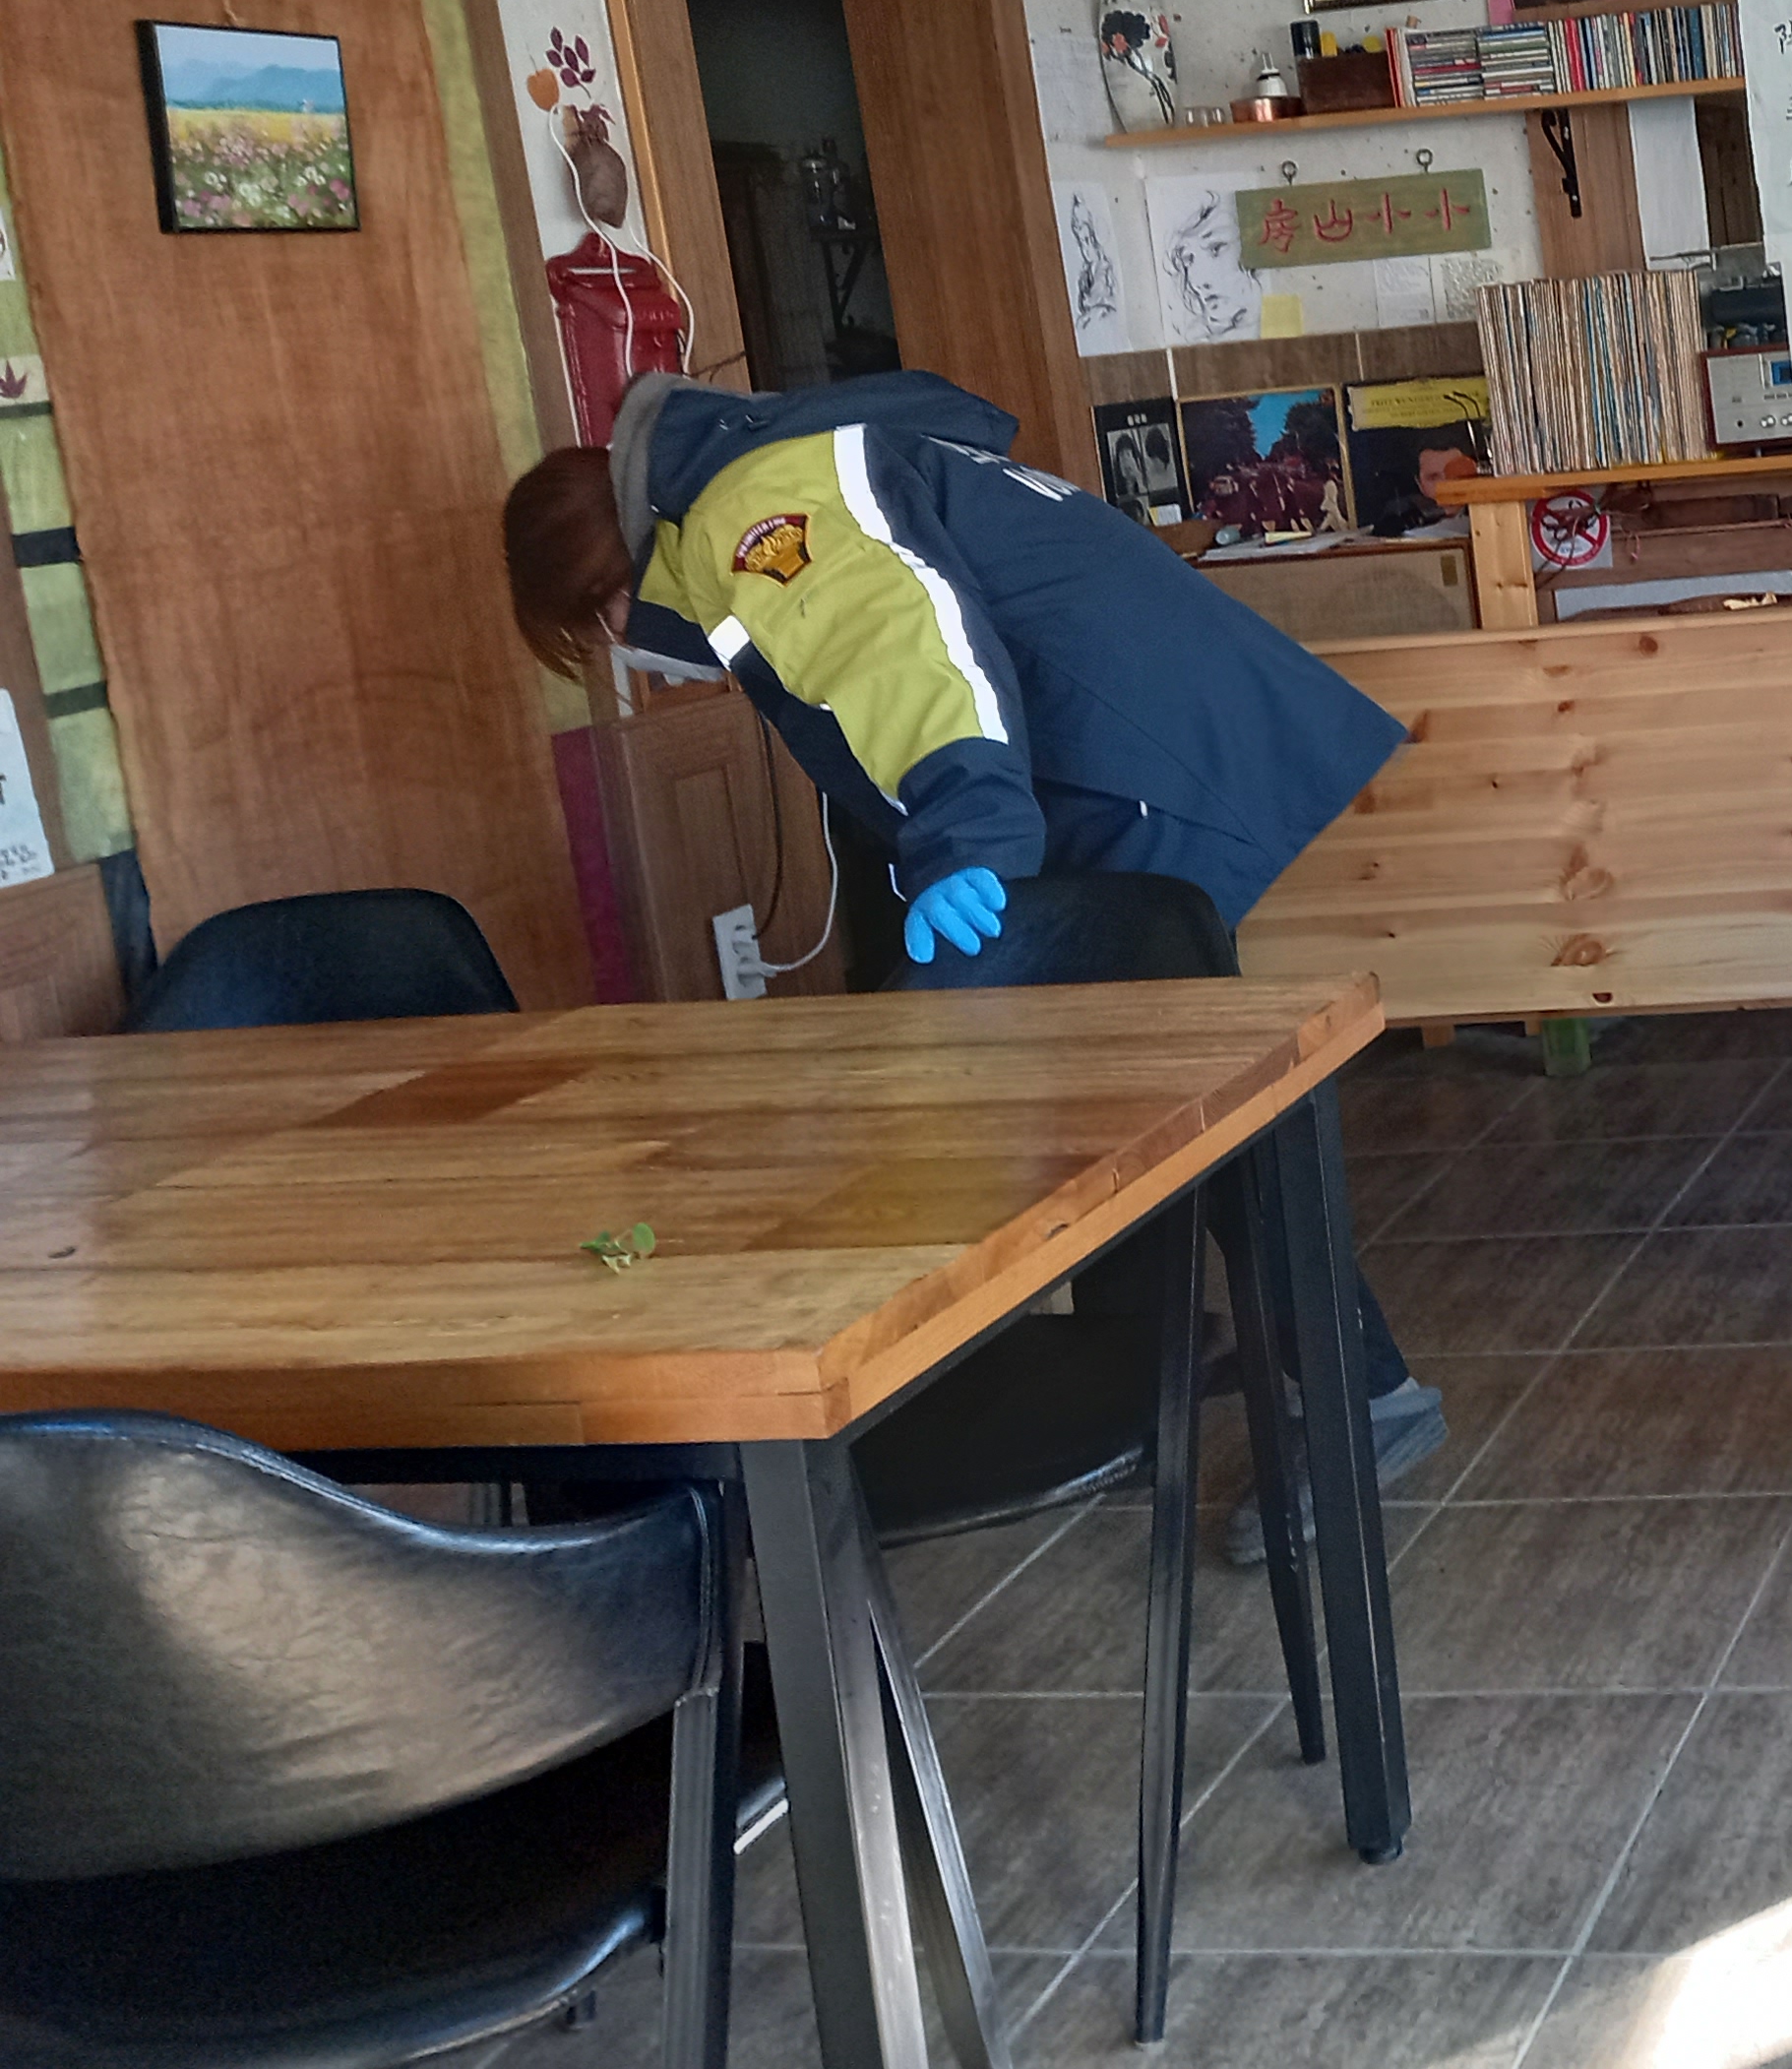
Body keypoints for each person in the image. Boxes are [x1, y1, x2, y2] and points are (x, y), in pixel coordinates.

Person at [502, 367, 1447, 1525]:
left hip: (1136, 768)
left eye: (596, 633)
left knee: (1202, 1110)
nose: (622, 649)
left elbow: (906, 647)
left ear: (602, 589)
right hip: (1142, 748)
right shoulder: (767, 467)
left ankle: (1364, 1402)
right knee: (1130, 1100)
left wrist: (967, 842)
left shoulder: (750, 517)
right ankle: (1143, 1360)